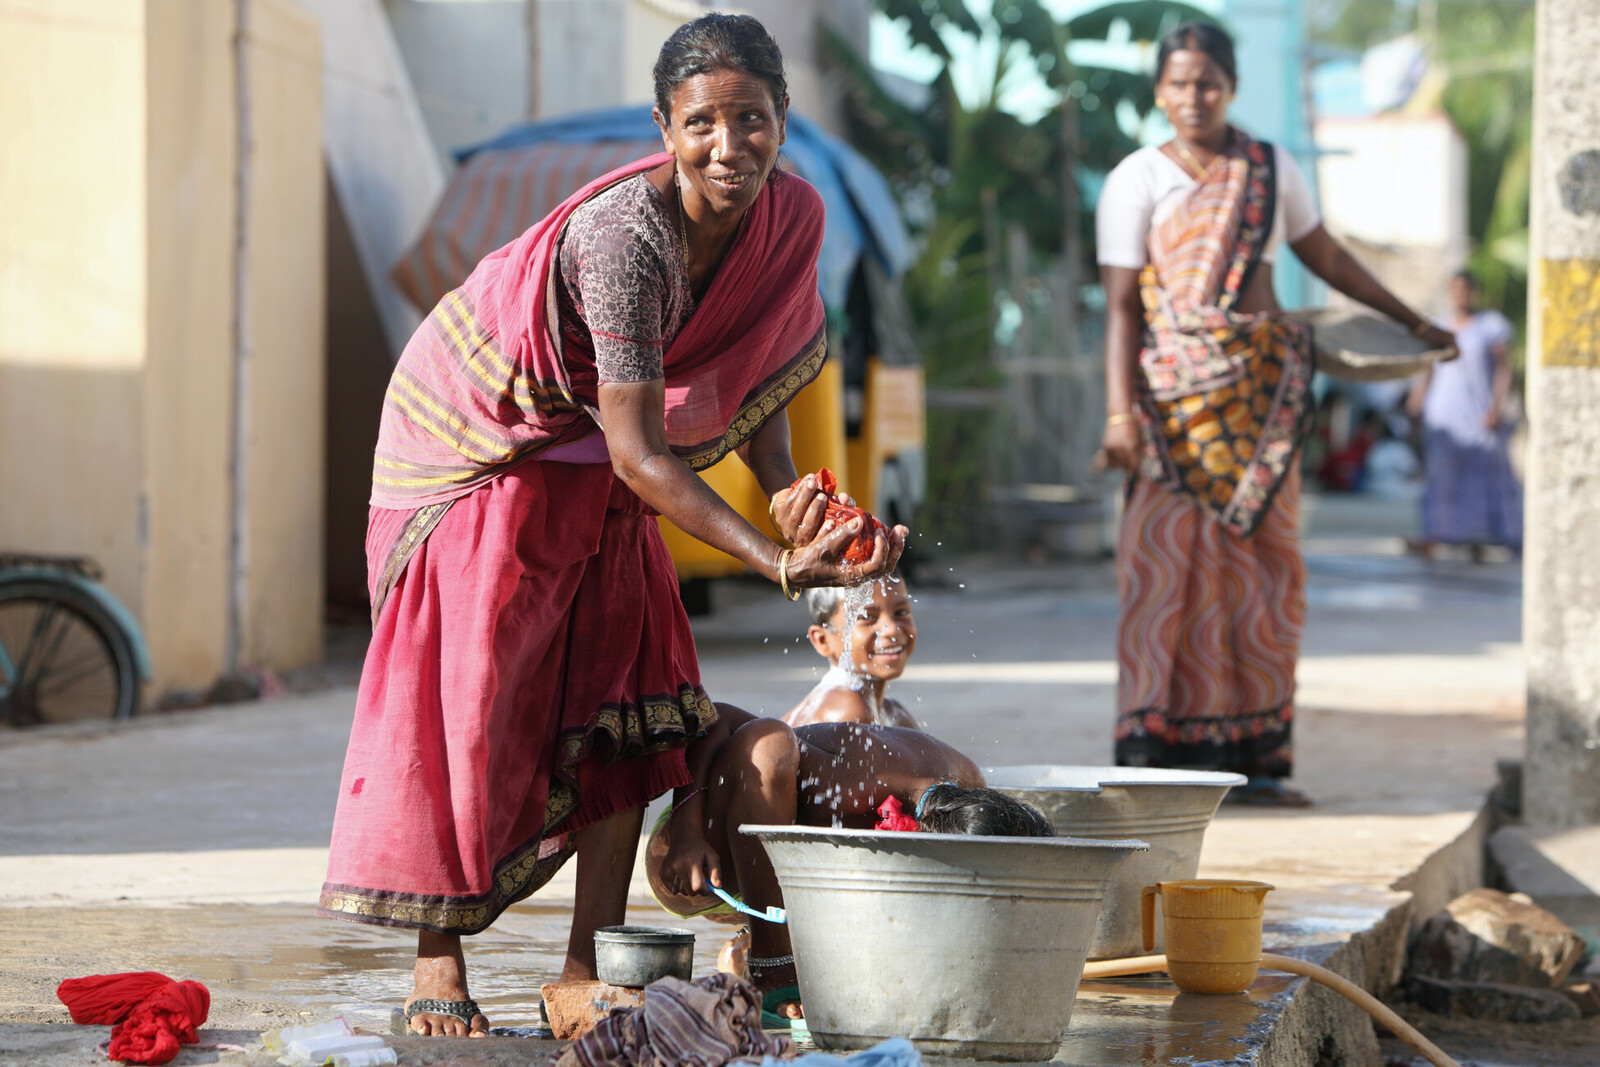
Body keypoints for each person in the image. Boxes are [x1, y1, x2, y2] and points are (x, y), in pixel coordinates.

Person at [318, 13, 906, 1039]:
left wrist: (792, 501)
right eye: (704, 123)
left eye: (753, 120)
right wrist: (773, 559)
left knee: (632, 682)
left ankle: (586, 958)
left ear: (782, 120)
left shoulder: (792, 217)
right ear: (663, 126)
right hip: (483, 434)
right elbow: (642, 452)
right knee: (474, 698)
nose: (731, 146)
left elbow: (759, 377)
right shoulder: (623, 237)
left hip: (596, 444)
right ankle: (437, 957)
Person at [1095, 22, 1455, 806]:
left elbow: (1326, 256)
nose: (1195, 96)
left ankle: (1255, 759)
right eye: (1180, 82)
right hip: (1170, 410)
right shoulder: (1135, 180)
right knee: (1161, 576)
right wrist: (1119, 416)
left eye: (1209, 81)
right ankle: (1153, 754)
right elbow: (1123, 308)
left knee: (1263, 582)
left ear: (1230, 85)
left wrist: (1412, 320)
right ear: (1160, 90)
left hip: (1263, 404)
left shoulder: (1267, 167)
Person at [644, 710, 1052, 1023]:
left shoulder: (969, 782)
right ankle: (770, 965)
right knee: (771, 747)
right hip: (693, 867)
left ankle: (757, 944)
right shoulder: (851, 780)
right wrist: (686, 832)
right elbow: (715, 717)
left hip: (782, 888)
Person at [1406, 270, 1522, 559]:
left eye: (1465, 289)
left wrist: (1496, 406)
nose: (1460, 295)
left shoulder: (1490, 326)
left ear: (1474, 292)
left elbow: (1504, 369)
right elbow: (1428, 369)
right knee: (1440, 477)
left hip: (1477, 415)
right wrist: (1415, 404)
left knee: (1480, 478)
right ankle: (1435, 534)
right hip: (1443, 415)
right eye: (1455, 289)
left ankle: (1477, 539)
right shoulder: (1439, 329)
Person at [782, 577, 919, 728]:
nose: (892, 629)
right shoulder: (847, 709)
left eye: (901, 612)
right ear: (822, 640)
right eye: (867, 617)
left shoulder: (895, 714)